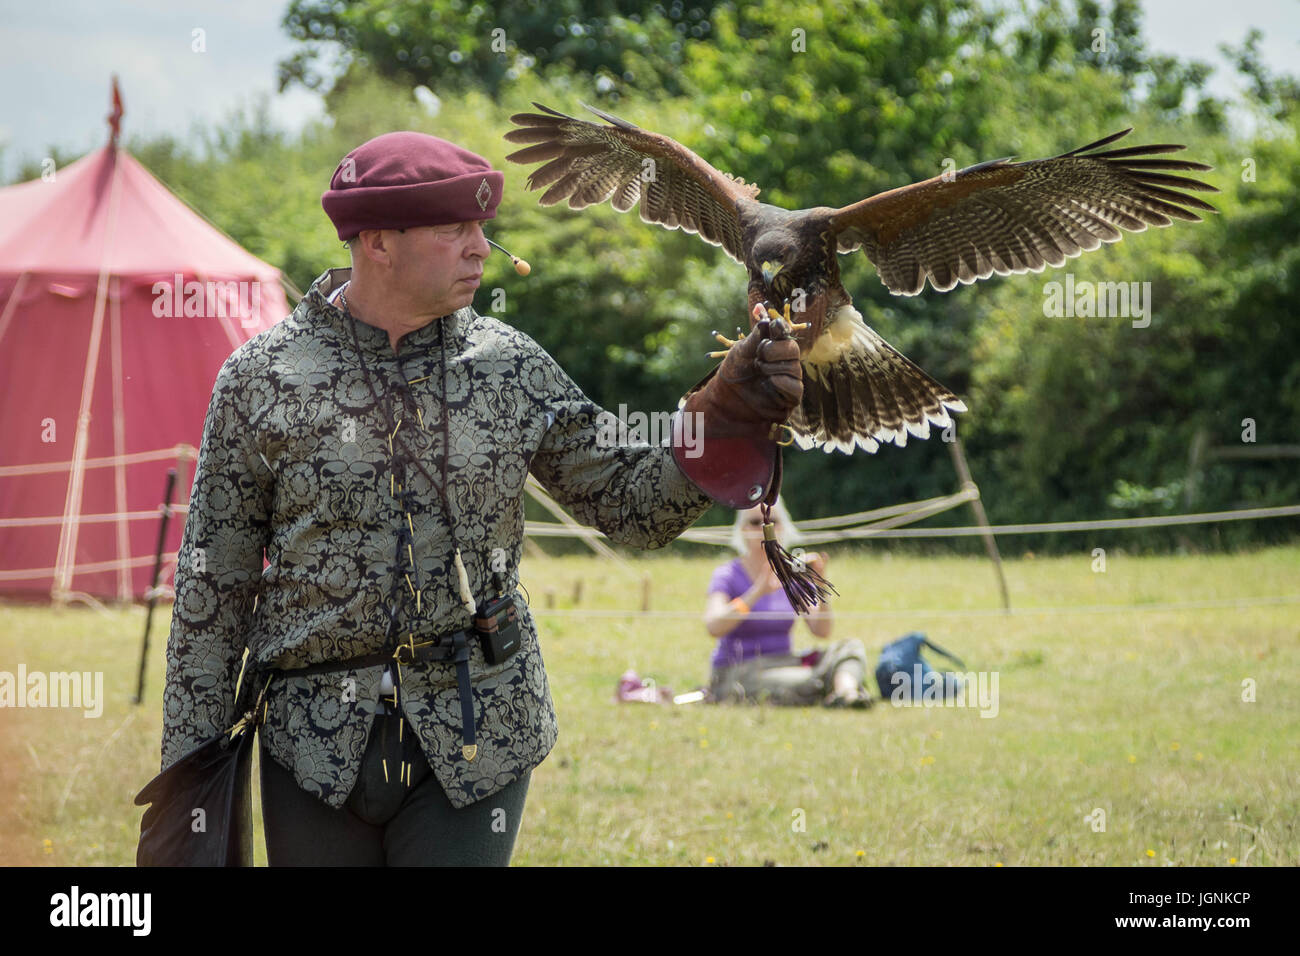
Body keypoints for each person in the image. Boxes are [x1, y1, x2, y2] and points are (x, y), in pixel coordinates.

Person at [159, 130, 804, 866]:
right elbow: (214, 585)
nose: (481, 248)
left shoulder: (510, 367)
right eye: (455, 229)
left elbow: (631, 504)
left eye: (482, 228)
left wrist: (717, 418)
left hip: (479, 737)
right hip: (311, 746)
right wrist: (189, 774)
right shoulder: (260, 380)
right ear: (377, 242)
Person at [704, 500, 872, 707]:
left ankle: (846, 693)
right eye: (756, 522)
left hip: (785, 661)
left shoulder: (791, 575)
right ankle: (833, 687)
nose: (763, 529)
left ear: (782, 527)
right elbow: (714, 626)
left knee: (850, 649)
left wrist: (819, 586)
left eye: (771, 522)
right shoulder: (727, 574)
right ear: (742, 530)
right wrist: (757, 591)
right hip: (739, 669)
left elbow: (821, 630)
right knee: (805, 680)